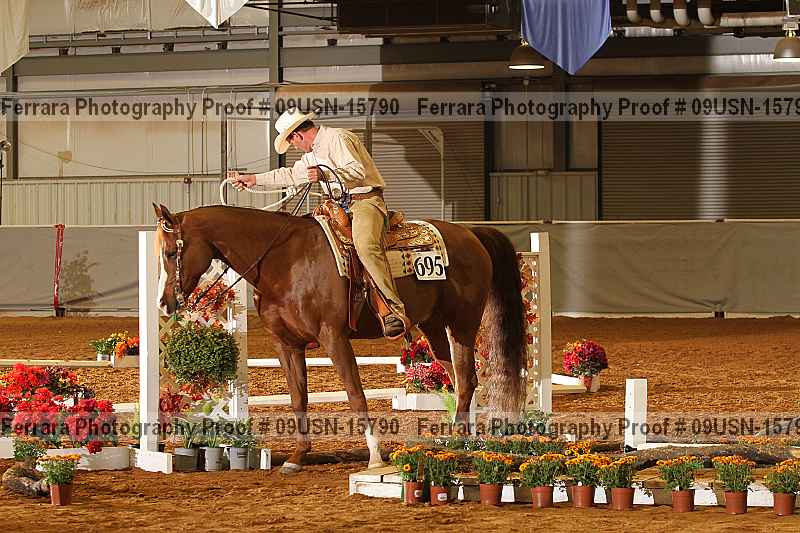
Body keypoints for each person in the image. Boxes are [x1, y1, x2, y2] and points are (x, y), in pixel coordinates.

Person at [228, 108, 410, 339]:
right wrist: (254, 179)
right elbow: (290, 175)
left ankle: (393, 308)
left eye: (292, 142)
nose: (295, 147)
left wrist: (326, 175)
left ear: (297, 135)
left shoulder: (338, 138)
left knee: (366, 246)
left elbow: (356, 170)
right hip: (336, 206)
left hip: (364, 201)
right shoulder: (312, 155)